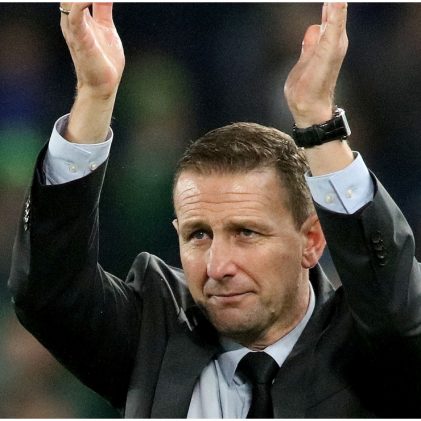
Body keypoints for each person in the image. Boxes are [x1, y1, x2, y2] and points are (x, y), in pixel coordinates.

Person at [8, 2, 421, 418]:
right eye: (199, 234)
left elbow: (400, 313)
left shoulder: (366, 349)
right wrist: (95, 99)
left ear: (311, 240)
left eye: (246, 233)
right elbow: (51, 292)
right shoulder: (153, 334)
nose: (218, 266)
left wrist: (319, 126)